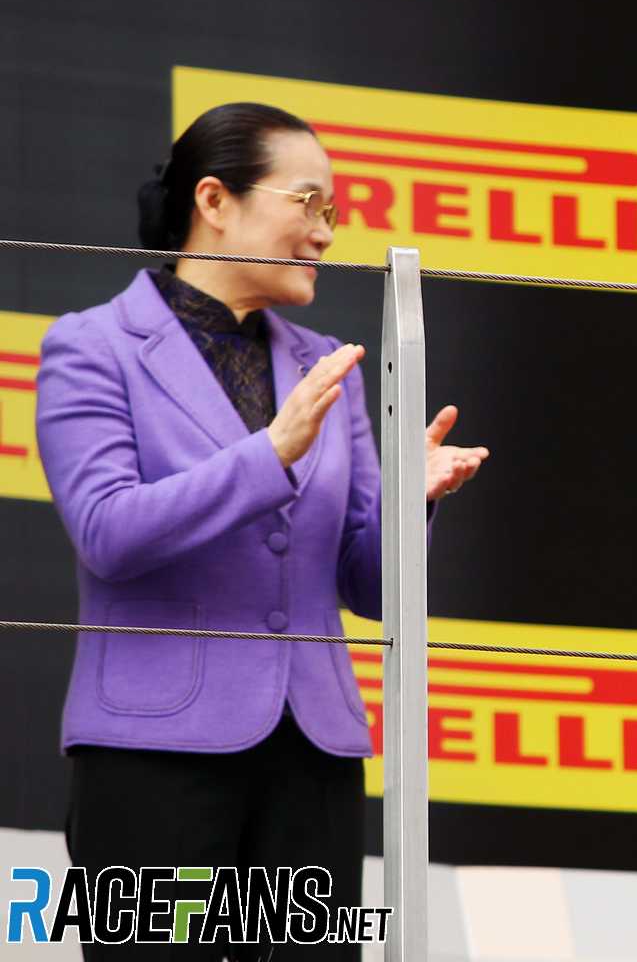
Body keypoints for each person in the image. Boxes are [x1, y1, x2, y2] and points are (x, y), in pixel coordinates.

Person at [35, 102, 490, 959]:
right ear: (215, 199)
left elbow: (365, 586)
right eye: (308, 204)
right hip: (155, 756)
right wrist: (273, 451)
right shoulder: (93, 347)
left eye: (332, 212)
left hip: (309, 755)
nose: (325, 234)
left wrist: (410, 501)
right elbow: (107, 532)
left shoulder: (328, 367)